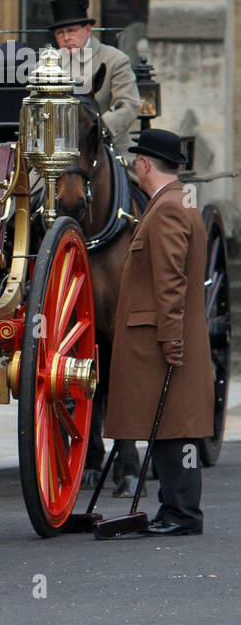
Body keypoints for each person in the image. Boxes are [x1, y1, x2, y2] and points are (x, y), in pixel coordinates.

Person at [104, 129, 212, 535]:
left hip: (164, 337)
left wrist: (170, 338)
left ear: (146, 164)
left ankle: (182, 514)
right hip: (170, 333)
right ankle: (174, 508)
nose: (135, 167)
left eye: (137, 161)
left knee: (175, 427)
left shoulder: (166, 208)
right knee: (171, 426)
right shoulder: (177, 200)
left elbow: (171, 280)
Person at [49, 0, 140, 155]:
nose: (66, 38)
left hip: (107, 145)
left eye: (71, 31)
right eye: (60, 33)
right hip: (57, 149)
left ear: (88, 30)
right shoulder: (45, 65)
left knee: (135, 178)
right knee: (31, 179)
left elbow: (128, 104)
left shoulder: (115, 60)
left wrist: (98, 128)